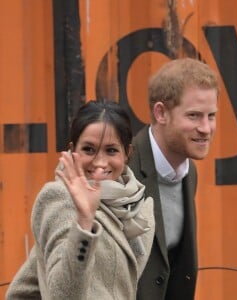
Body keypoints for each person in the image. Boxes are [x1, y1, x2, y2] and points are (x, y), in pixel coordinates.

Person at [6, 100, 155, 299]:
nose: (100, 163)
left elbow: (29, 285)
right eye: (89, 149)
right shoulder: (60, 199)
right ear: (73, 150)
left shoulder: (135, 206)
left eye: (111, 150)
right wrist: (84, 223)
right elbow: (64, 295)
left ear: (127, 153)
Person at [129, 57, 219, 299]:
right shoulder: (122, 169)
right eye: (194, 116)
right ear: (161, 113)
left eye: (211, 116)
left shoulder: (189, 173)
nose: (206, 128)